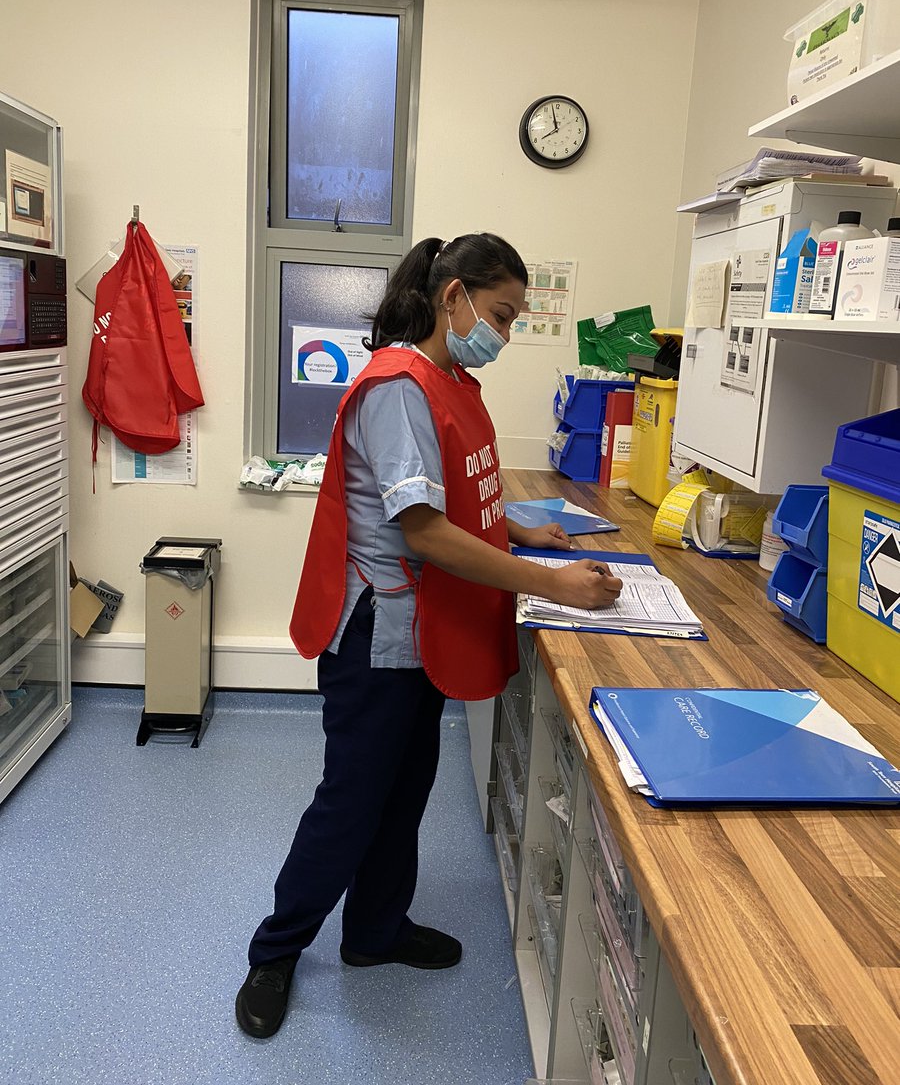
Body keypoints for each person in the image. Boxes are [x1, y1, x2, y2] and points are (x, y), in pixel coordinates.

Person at [235, 232, 622, 1039]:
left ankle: (374, 933)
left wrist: (523, 527)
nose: (506, 333)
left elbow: (459, 497)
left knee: (404, 791)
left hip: (420, 631)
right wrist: (553, 585)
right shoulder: (399, 387)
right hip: (378, 631)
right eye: (502, 313)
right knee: (351, 801)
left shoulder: (450, 380)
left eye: (516, 319)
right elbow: (422, 529)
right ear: (454, 298)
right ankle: (274, 951)